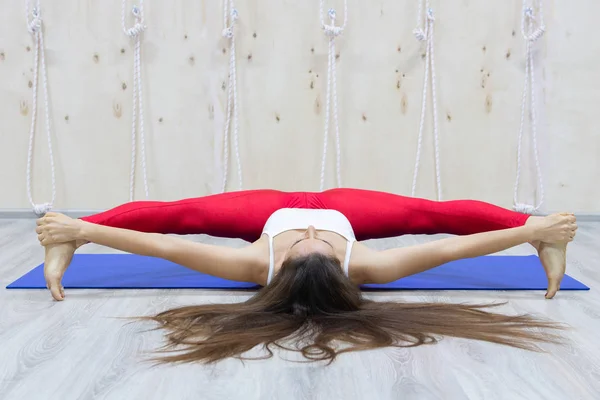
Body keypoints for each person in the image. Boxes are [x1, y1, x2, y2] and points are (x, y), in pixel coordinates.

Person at [35, 188, 576, 364]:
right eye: (308, 242)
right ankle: (548, 232)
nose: (309, 233)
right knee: (425, 212)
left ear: (281, 267)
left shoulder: (255, 260)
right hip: (350, 210)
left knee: (180, 211)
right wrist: (533, 231)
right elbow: (453, 245)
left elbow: (162, 240)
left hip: (265, 211)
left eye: (299, 245)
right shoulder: (367, 262)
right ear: (338, 264)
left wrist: (84, 230)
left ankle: (63, 237)